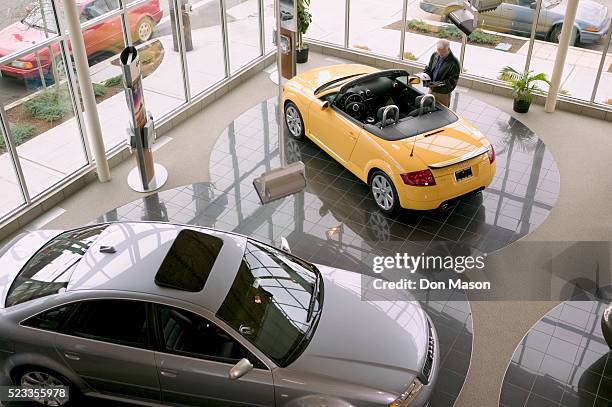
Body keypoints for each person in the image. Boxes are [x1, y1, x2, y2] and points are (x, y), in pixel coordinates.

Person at [423, 39, 460, 108]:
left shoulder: (454, 63)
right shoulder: (435, 55)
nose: (440, 54)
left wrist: (436, 84)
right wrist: (425, 77)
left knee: (442, 114)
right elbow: (428, 68)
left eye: (443, 52)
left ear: (448, 49)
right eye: (439, 52)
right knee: (428, 109)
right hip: (432, 89)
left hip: (443, 94)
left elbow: (451, 82)